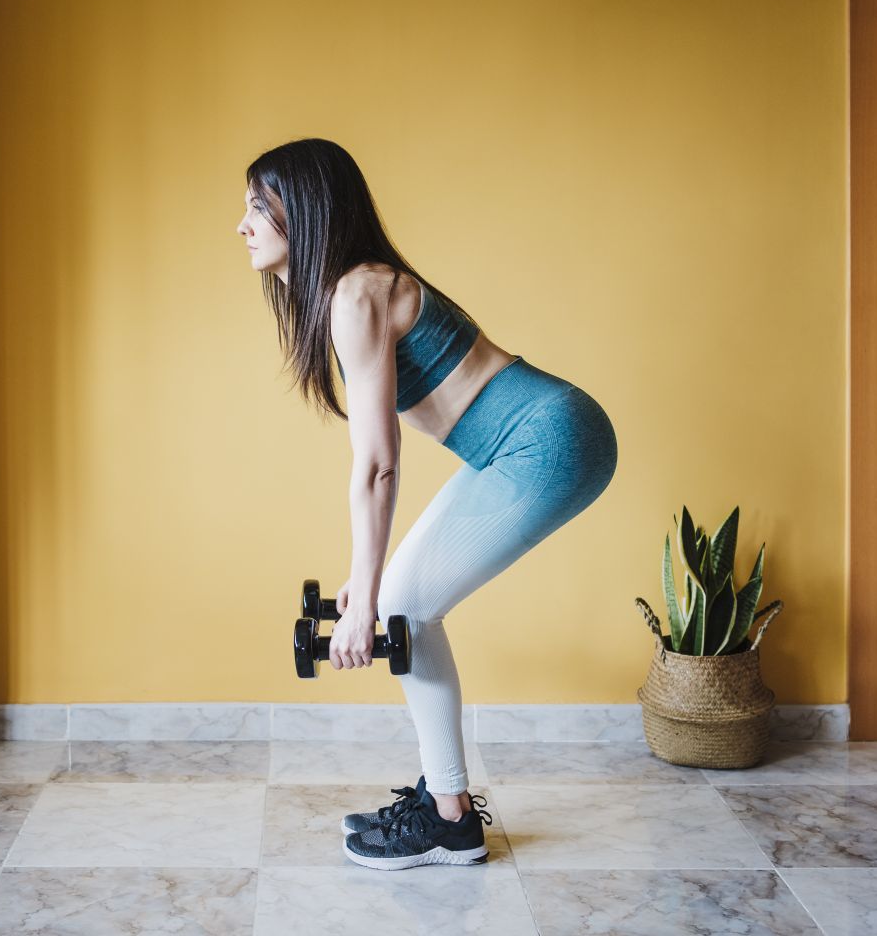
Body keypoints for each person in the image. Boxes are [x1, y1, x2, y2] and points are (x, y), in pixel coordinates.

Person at [237, 137, 618, 871]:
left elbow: (378, 464)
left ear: (303, 210)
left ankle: (450, 819)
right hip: (529, 440)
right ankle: (446, 805)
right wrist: (366, 583)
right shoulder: (354, 289)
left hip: (546, 441)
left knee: (403, 606)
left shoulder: (357, 294)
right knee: (401, 598)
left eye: (258, 206)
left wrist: (367, 599)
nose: (243, 225)